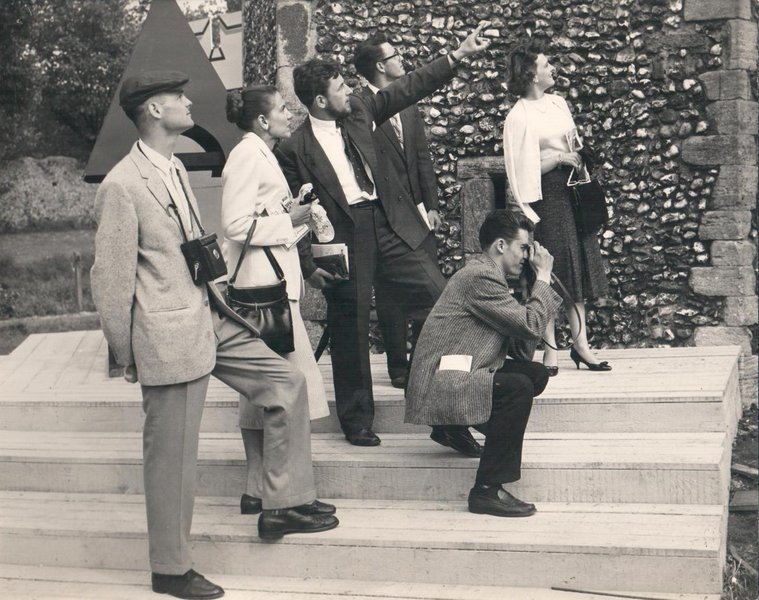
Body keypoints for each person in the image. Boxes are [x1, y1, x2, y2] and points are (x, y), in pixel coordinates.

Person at [90, 71, 337, 600]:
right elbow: (109, 283)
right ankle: (171, 569)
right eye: (177, 97)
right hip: (167, 334)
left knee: (285, 382)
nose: (188, 100)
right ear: (154, 110)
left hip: (211, 313)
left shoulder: (175, 166)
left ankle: (283, 503)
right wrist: (126, 351)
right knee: (173, 455)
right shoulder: (122, 184)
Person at [276, 23, 490, 447]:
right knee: (351, 329)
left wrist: (458, 54)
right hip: (342, 241)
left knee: (440, 303)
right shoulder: (293, 150)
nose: (348, 92)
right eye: (339, 89)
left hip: (390, 224)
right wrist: (308, 265)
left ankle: (446, 416)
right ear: (320, 101)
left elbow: (408, 87)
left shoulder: (358, 110)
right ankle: (356, 421)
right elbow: (292, 214)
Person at [221, 85, 334, 516]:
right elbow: (235, 224)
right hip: (263, 291)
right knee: (287, 392)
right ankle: (285, 495)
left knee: (262, 394)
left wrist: (292, 210)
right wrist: (291, 218)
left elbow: (259, 214)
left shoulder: (259, 152)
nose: (291, 113)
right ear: (262, 121)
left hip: (270, 286)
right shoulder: (248, 155)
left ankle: (259, 490)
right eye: (282, 108)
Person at [405, 210, 563, 517]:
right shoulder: (481, 276)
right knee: (516, 388)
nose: (527, 256)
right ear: (501, 246)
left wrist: (533, 285)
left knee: (533, 374)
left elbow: (520, 342)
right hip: (441, 382)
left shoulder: (488, 275)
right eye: (524, 247)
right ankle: (487, 490)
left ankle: (452, 426)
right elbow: (531, 325)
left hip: (455, 370)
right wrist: (543, 279)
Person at [502, 45, 611, 375]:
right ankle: (549, 350)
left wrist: (577, 157)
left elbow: (572, 142)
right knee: (549, 271)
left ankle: (582, 347)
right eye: (546, 65)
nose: (552, 69)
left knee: (576, 269)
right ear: (532, 74)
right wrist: (559, 159)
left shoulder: (559, 103)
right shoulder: (518, 116)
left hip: (573, 192)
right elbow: (520, 169)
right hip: (546, 197)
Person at [353, 33, 443, 391]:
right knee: (390, 293)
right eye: (396, 55)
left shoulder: (408, 105)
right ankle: (397, 366)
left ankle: (422, 360)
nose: (402, 59)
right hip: (386, 216)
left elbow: (422, 158)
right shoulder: (361, 108)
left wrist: (432, 205)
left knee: (428, 285)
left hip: (418, 212)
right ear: (380, 65)